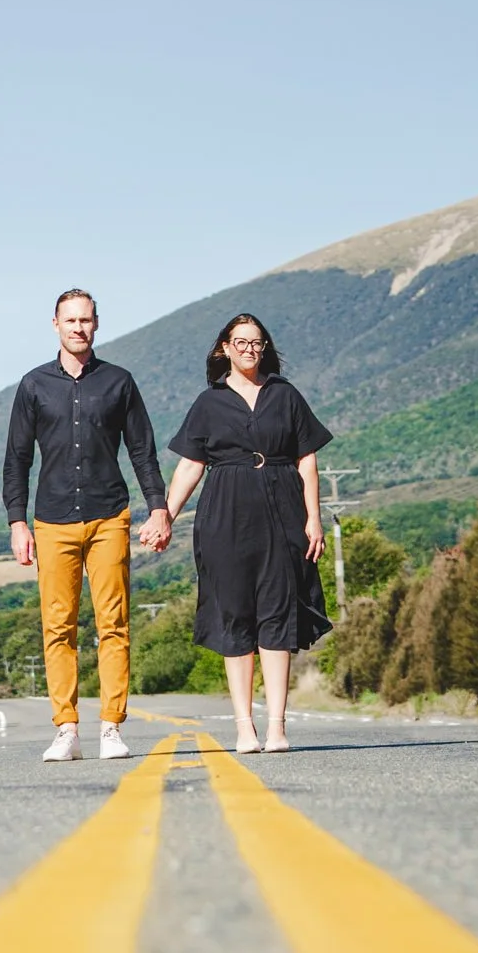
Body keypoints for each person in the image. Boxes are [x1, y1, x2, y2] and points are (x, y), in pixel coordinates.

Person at [3, 288, 171, 764]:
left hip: (109, 517)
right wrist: (18, 522)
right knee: (58, 628)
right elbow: (16, 459)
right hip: (51, 520)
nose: (79, 328)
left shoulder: (119, 382)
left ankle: (112, 728)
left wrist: (157, 507)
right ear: (55, 324)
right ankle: (67, 729)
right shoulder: (33, 385)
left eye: (86, 320)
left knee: (112, 625)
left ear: (97, 324)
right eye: (70, 320)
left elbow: (143, 451)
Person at [161, 313, 331, 753]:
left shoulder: (285, 394)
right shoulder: (208, 402)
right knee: (235, 616)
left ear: (265, 347)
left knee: (278, 616)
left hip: (283, 509)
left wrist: (313, 518)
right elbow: (190, 466)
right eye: (241, 343)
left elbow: (307, 460)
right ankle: (244, 728)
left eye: (257, 343)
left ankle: (276, 727)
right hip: (225, 515)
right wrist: (165, 514)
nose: (250, 350)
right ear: (224, 349)